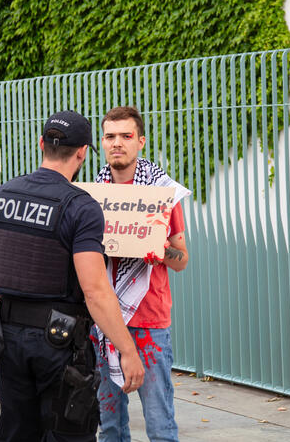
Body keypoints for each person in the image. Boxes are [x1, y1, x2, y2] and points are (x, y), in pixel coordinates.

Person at [0, 110, 145, 442]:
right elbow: (95, 291)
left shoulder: (1, 195)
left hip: (9, 339)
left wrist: (21, 304)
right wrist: (128, 350)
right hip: (59, 344)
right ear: (82, 152)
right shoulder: (80, 207)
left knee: (17, 431)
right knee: (67, 433)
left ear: (41, 144)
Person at [93, 106, 190, 442]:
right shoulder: (92, 197)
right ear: (102, 143)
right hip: (103, 321)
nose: (117, 143)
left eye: (126, 136)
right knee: (109, 427)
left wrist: (158, 249)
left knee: (161, 426)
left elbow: (182, 260)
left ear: (141, 141)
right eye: (110, 136)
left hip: (149, 323)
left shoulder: (162, 195)